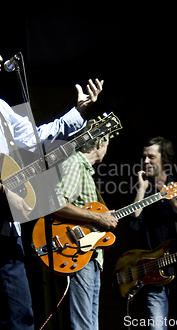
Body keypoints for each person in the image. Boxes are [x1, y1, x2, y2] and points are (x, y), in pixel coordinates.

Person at [0, 25, 104, 330]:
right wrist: (2, 190)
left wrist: (78, 112)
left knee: (21, 316)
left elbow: (35, 139)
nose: (2, 57)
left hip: (5, 227)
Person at [129, 136, 177, 330]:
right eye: (143, 157)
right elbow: (133, 224)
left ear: (164, 159)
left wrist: (175, 204)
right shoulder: (142, 190)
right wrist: (141, 190)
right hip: (153, 272)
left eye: (151, 157)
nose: (145, 161)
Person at [53, 127, 118, 330]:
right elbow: (58, 203)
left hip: (90, 255)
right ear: (100, 143)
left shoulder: (85, 171)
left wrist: (102, 217)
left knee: (90, 325)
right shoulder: (75, 163)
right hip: (78, 253)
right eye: (107, 144)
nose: (107, 149)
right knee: (83, 325)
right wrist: (97, 217)